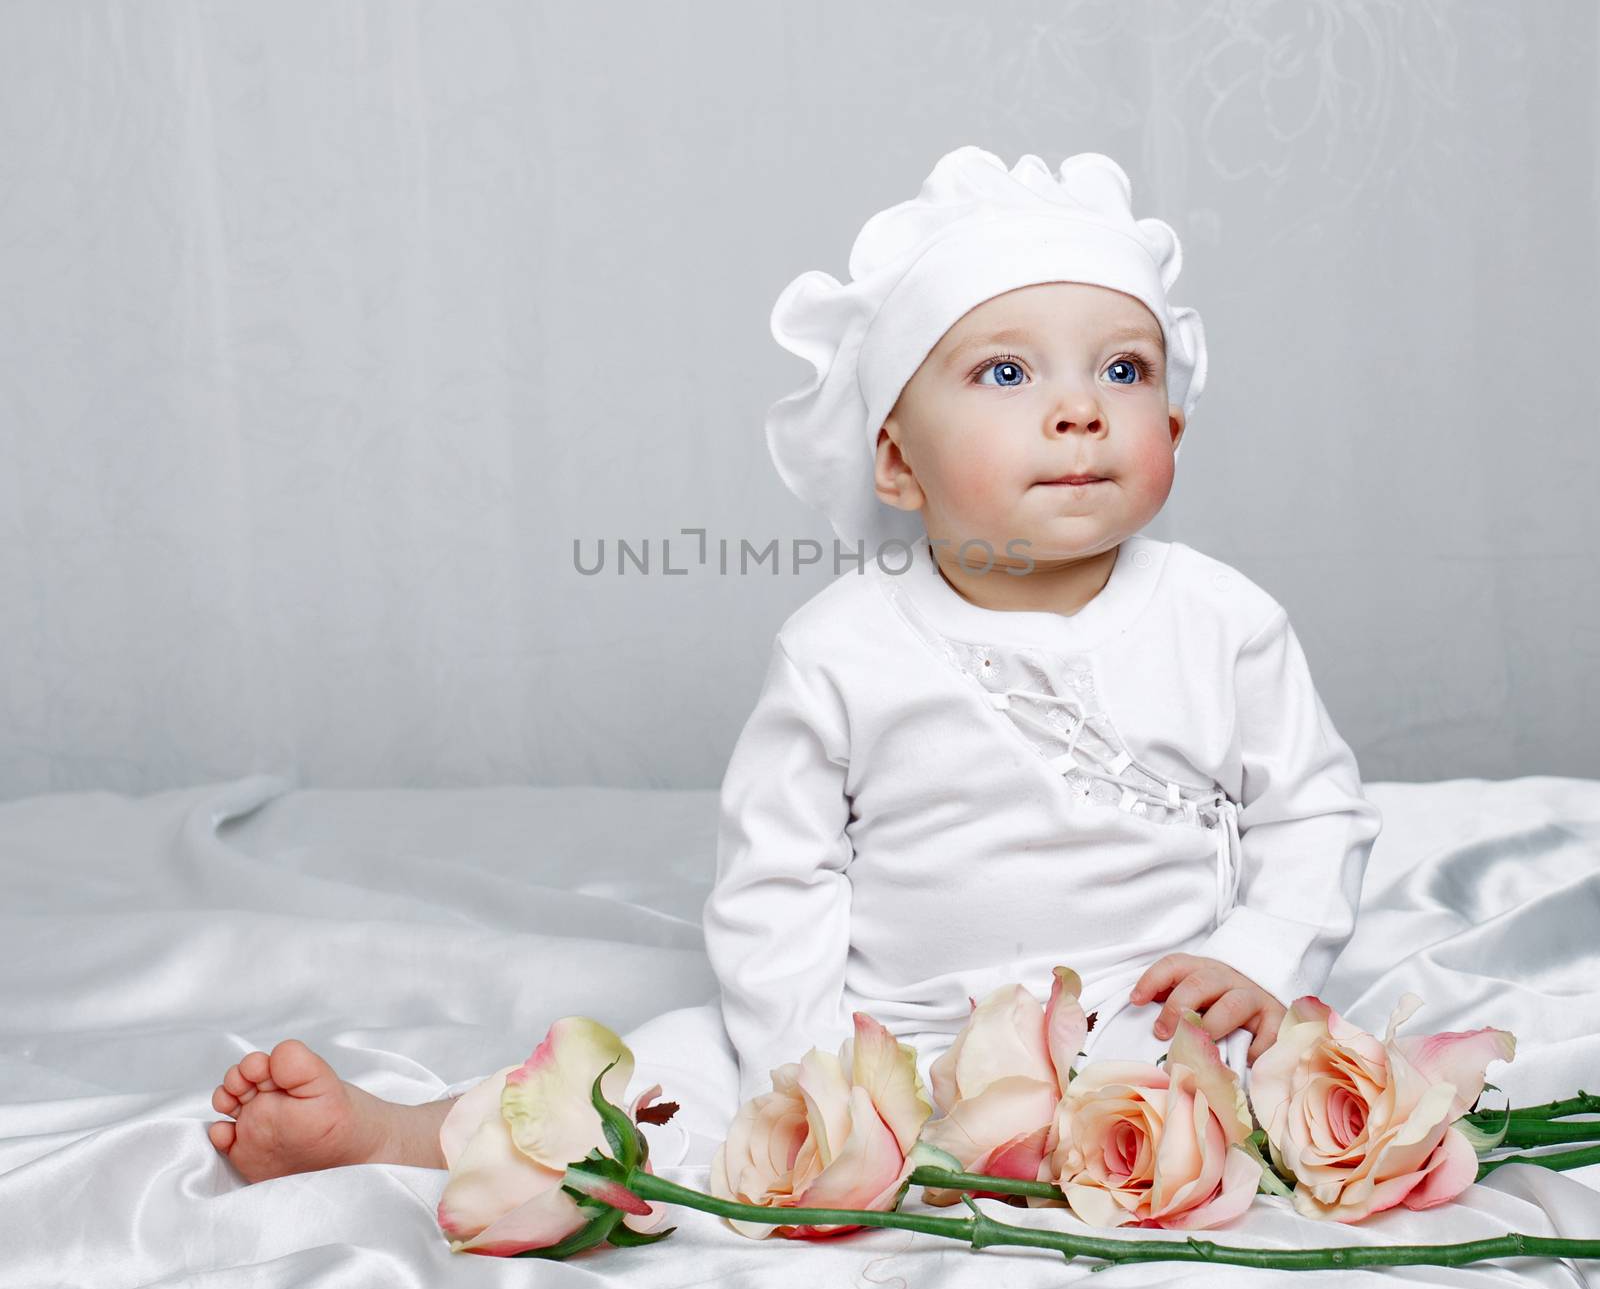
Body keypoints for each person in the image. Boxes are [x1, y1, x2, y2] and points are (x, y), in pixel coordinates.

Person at [206, 146, 1382, 1183]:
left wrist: (1255, 953)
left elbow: (1313, 810)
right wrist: (810, 1071)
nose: (1078, 409)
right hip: (888, 1033)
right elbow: (780, 878)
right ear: (895, 461)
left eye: (1122, 372)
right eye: (1006, 374)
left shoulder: (1222, 620)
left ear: (1171, 431)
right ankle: (405, 1133)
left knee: (1270, 1099)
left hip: (1143, 1020)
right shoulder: (844, 647)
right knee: (664, 1079)